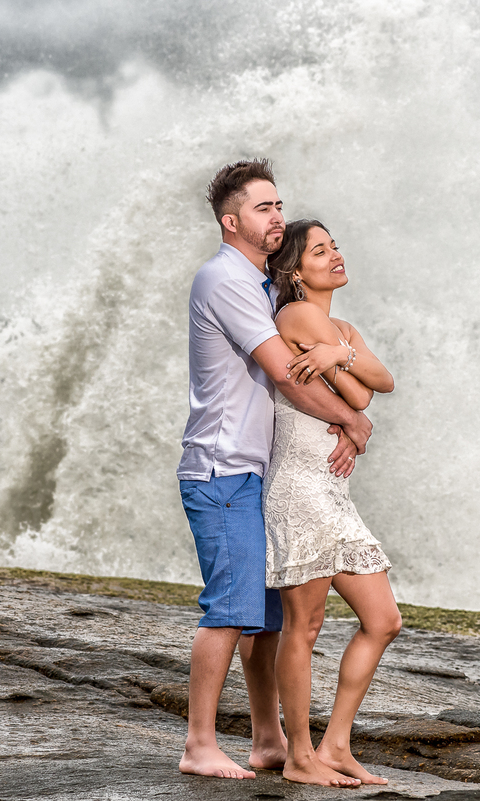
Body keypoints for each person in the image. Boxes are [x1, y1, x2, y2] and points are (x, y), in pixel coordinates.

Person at [176, 161, 373, 781]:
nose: (276, 217)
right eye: (262, 208)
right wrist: (353, 422)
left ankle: (268, 742)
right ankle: (199, 745)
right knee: (230, 611)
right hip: (222, 470)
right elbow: (286, 374)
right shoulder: (228, 280)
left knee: (266, 619)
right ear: (230, 221)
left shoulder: (263, 286)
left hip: (255, 472)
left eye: (278, 205)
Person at [263, 220, 402, 787]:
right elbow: (359, 392)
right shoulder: (295, 316)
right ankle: (299, 755)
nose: (336, 255)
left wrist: (335, 351)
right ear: (296, 271)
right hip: (298, 484)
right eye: (320, 251)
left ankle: (336, 744)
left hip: (332, 490)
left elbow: (380, 384)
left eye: (335, 245)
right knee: (306, 624)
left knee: (383, 620)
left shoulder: (338, 327)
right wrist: (342, 361)